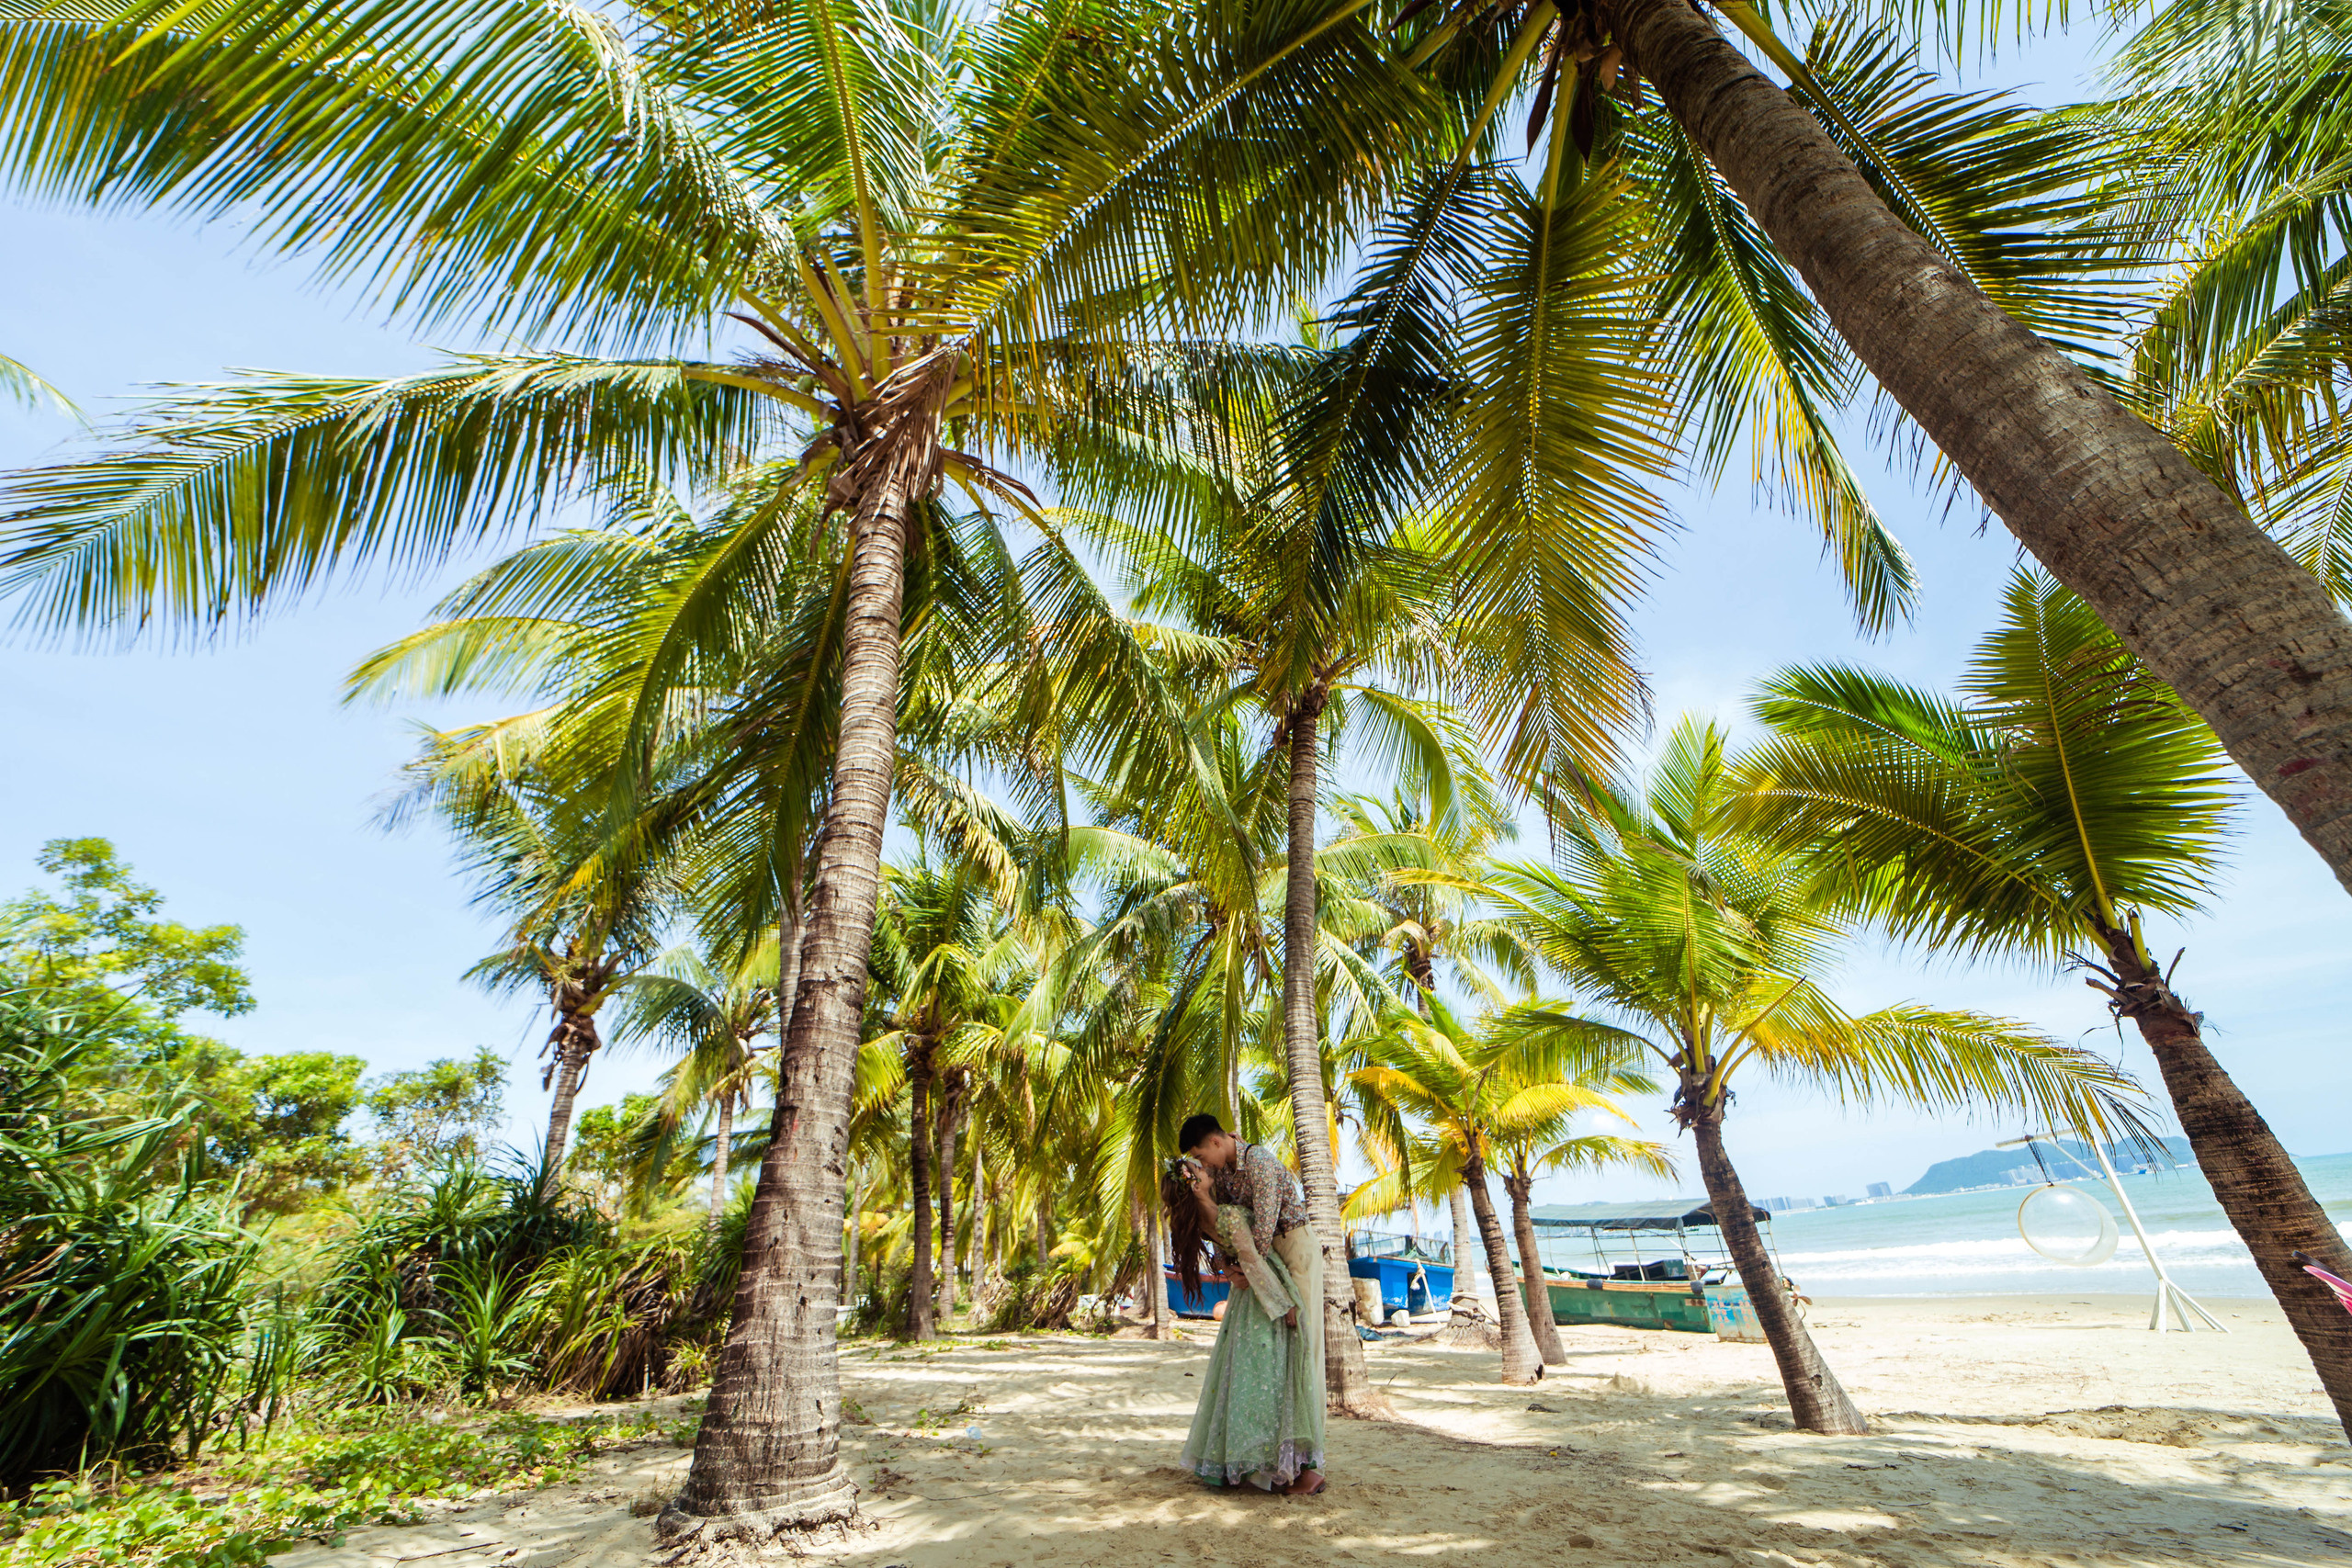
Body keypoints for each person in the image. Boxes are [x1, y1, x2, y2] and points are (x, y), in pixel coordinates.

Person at [1165, 1112, 1328, 1496]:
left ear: (1218, 1142)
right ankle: (1275, 1461)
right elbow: (1223, 1224)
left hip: (1291, 1249)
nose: (1201, 1164)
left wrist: (1243, 1270)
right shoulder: (1220, 1169)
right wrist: (1232, 1265)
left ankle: (1311, 1466)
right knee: (1269, 1361)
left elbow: (1263, 1234)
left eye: (1201, 1155)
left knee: (1303, 1354)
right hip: (1257, 1260)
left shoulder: (1262, 1164)